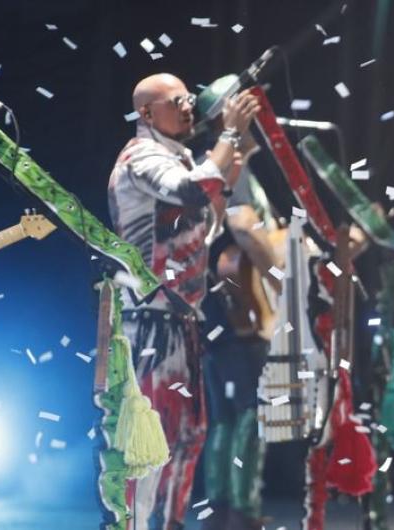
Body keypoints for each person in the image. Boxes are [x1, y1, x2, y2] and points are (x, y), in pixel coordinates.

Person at [107, 72, 258, 530]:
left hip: (181, 321)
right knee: (149, 442)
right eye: (177, 101)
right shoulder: (141, 157)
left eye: (189, 98)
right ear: (148, 113)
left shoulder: (180, 157)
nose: (189, 105)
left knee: (188, 437)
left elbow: (205, 223)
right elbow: (190, 191)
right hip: (148, 319)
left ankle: (169, 525)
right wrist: (228, 136)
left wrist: (236, 157)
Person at [193, 75, 281, 530]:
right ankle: (241, 512)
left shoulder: (212, 164)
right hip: (238, 311)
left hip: (215, 314)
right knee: (250, 411)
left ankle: (223, 511)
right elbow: (246, 230)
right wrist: (285, 279)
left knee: (226, 415)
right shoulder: (233, 168)